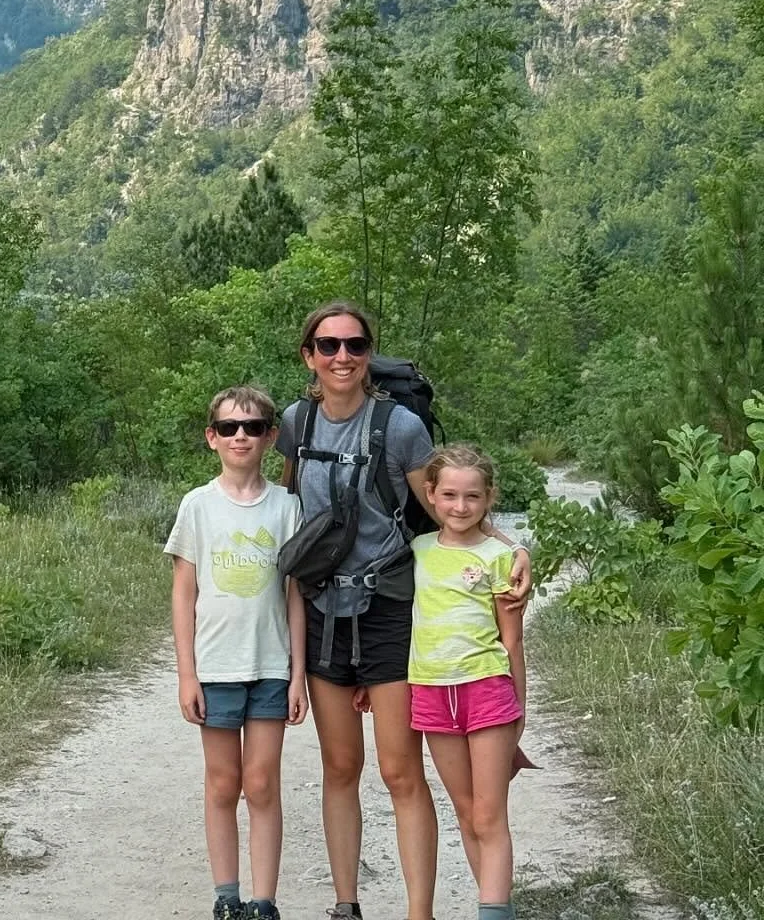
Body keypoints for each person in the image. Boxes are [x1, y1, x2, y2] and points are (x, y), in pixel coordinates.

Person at [277, 301, 531, 920]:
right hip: (322, 609)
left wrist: (512, 548)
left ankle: (420, 912)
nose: (342, 356)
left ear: (369, 354)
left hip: (390, 609)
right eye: (329, 345)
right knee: (339, 766)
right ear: (308, 355)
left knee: (399, 771)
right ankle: (346, 904)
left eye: (355, 345)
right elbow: (283, 506)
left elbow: (448, 508)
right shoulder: (294, 423)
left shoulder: (399, 428)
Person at [166, 384, 310, 920]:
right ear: (212, 437)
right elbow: (185, 592)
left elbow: (295, 594)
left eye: (252, 427)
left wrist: (297, 674)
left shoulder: (287, 507)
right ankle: (226, 895)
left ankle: (264, 900)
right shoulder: (197, 507)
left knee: (262, 781)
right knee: (224, 782)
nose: (241, 436)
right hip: (216, 665)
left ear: (271, 437)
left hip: (271, 664)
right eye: (229, 427)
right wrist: (187, 674)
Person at [409, 446, 526, 920]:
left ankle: (492, 913)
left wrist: (520, 707)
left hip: (487, 689)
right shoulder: (416, 551)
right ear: (431, 495)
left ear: (489, 497)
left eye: (473, 496)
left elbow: (513, 642)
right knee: (464, 810)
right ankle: (497, 905)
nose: (461, 507)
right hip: (432, 692)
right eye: (450, 495)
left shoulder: (501, 558)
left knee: (489, 814)